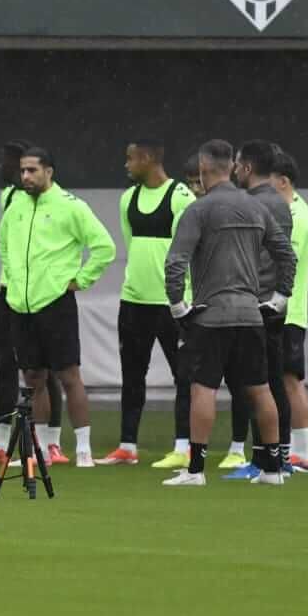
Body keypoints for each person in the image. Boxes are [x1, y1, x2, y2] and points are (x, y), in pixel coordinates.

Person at [162, 139, 295, 488]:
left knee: (202, 389)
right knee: (260, 389)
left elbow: (175, 263)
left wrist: (178, 307)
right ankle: (272, 469)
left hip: (211, 317)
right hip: (251, 314)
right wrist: (280, 297)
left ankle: (195, 471)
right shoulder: (256, 208)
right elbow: (286, 255)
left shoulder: (199, 210)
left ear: (204, 171)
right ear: (231, 168)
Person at [0, 147, 116, 468]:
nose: (26, 176)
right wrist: (11, 278)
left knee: (68, 376)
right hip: (21, 306)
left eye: (33, 170)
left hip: (55, 304)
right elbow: (4, 244)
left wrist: (80, 280)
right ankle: (40, 450)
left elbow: (104, 247)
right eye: (23, 171)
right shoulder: (16, 205)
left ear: (49, 172)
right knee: (33, 378)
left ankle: (83, 450)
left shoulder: (70, 207)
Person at [0, 141, 65, 465]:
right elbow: (5, 243)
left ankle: (52, 442)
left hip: (40, 296)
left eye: (21, 166)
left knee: (46, 370)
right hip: (10, 293)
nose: (13, 170)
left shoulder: (57, 202)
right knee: (6, 365)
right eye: (15, 166)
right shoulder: (9, 197)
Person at [107, 141, 198, 468]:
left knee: (184, 376)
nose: (127, 165)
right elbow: (132, 245)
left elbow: (185, 250)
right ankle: (127, 446)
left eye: (131, 158)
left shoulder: (181, 196)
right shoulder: (127, 199)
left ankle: (183, 446)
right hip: (133, 302)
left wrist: (179, 296)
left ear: (147, 159)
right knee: (132, 375)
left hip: (173, 305)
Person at [225, 140, 296, 483]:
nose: (235, 170)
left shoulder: (256, 205)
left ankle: (271, 458)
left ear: (247, 168)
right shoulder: (275, 202)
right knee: (267, 382)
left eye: (237, 164)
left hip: (258, 303)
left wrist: (273, 295)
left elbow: (267, 257)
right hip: (268, 301)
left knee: (260, 383)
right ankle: (273, 456)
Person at [273, 152, 308, 473]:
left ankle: (301, 454)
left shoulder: (297, 214)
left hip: (289, 313)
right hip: (281, 311)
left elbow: (288, 260)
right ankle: (283, 450)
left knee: (291, 380)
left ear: (283, 181)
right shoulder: (287, 210)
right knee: (280, 380)